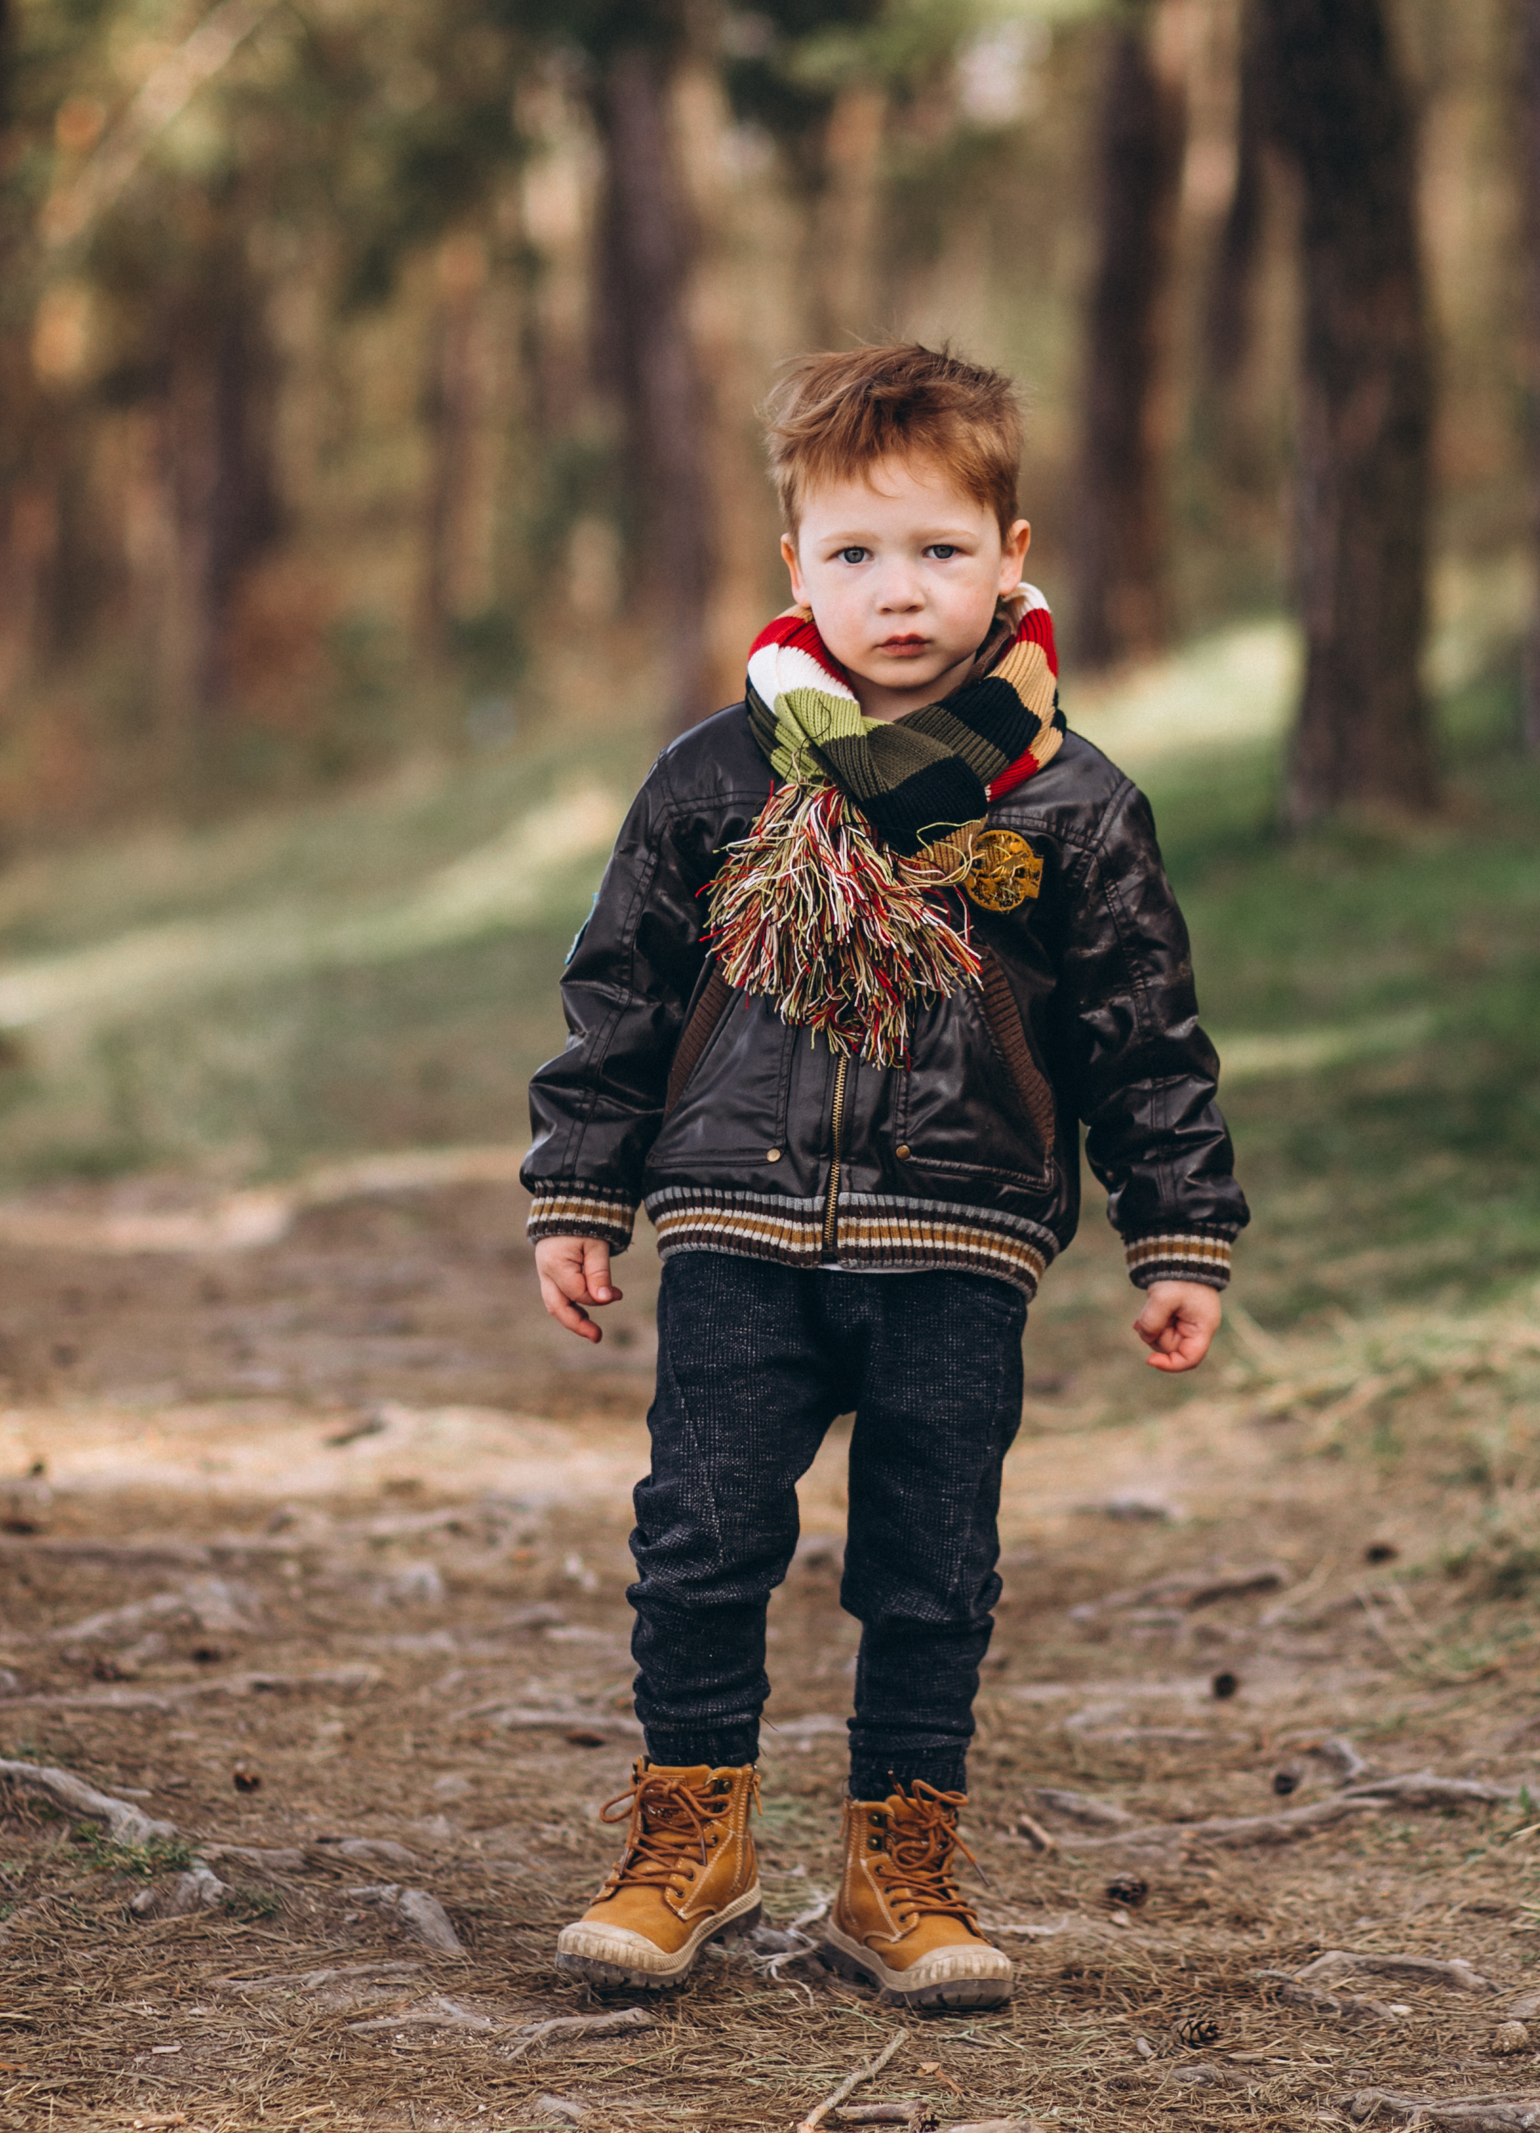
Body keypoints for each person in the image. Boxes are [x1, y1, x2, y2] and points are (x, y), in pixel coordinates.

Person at [523, 343, 1246, 2010]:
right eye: (854, 554)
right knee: (699, 1537)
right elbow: (621, 990)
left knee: (933, 1565)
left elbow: (1146, 1034)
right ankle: (687, 1836)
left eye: (936, 551)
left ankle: (896, 1867)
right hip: (737, 1229)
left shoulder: (1073, 804)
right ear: (795, 568)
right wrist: (581, 1187)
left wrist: (1178, 1227)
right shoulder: (720, 777)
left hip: (956, 1237)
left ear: (1011, 553)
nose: (896, 592)